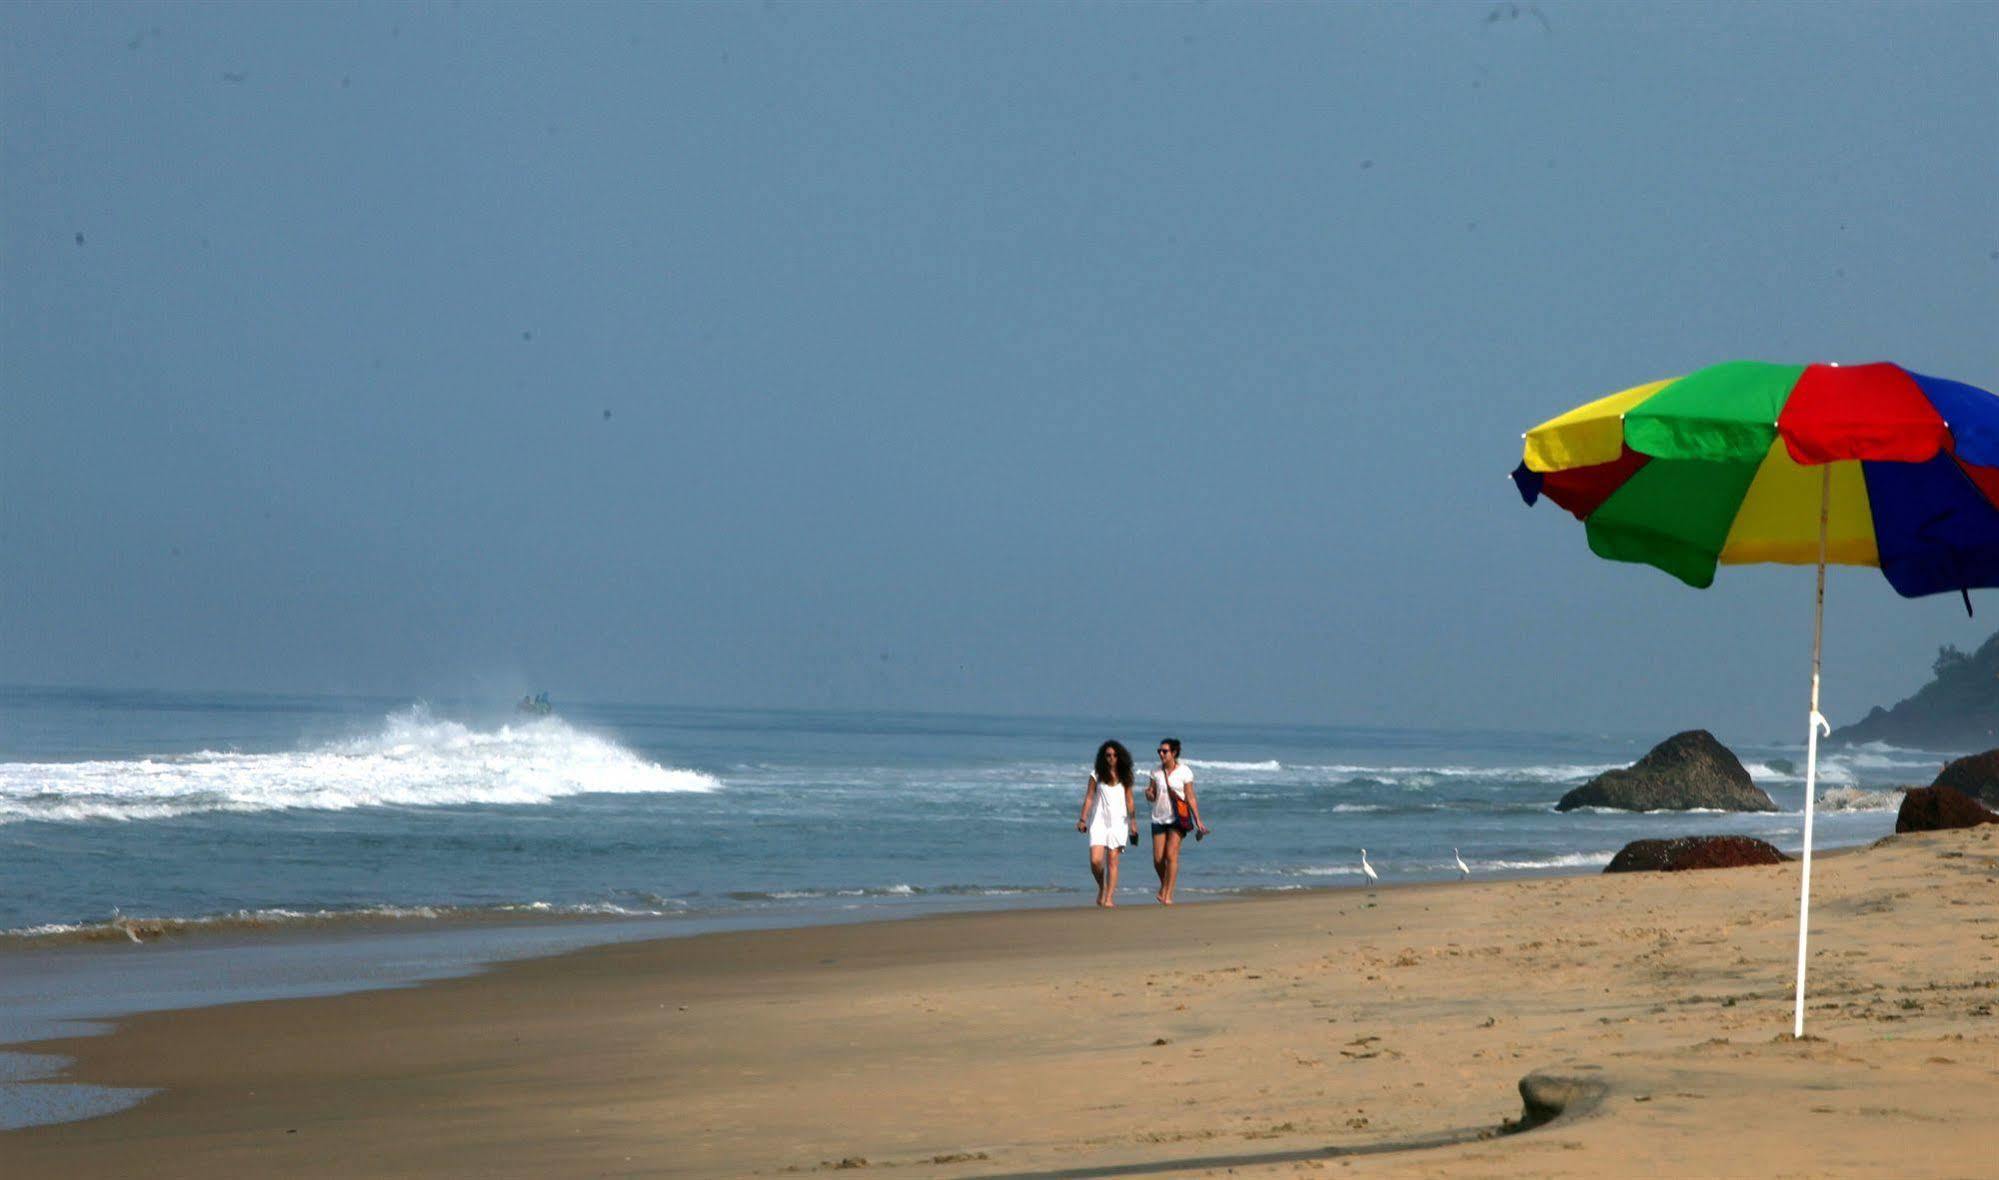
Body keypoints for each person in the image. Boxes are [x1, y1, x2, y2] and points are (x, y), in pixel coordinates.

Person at [1075, 740, 1137, 907]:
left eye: (1115, 755)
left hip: (1119, 821)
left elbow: (1130, 800)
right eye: (1108, 755)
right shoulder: (1096, 774)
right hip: (1099, 821)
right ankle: (1102, 886)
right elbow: (1089, 797)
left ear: (1120, 756)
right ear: (1104, 756)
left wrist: (1133, 822)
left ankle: (1109, 898)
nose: (1112, 758)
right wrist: (1082, 819)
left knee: (1112, 860)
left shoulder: (1125, 775)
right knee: (1095, 861)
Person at [1146, 737, 1207, 905]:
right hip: (1158, 817)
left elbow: (1190, 796)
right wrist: (1149, 794)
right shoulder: (1155, 772)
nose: (1161, 754)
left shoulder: (1185, 771)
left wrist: (1198, 820)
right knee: (1158, 859)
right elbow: (1152, 794)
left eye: (1164, 751)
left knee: (1171, 855)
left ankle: (1168, 895)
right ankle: (1164, 885)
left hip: (1178, 819)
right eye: (1159, 751)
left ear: (1174, 753)